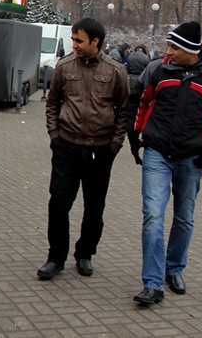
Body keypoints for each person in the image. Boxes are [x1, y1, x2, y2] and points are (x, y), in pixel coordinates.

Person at [127, 21, 202, 305]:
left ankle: (174, 268)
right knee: (152, 215)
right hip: (157, 153)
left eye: (175, 47)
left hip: (192, 158)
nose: (169, 51)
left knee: (184, 217)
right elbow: (136, 101)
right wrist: (135, 136)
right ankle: (152, 282)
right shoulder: (156, 69)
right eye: (168, 45)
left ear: (191, 50)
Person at [38, 17, 129, 280]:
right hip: (66, 147)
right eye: (73, 39)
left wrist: (115, 144)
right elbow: (53, 103)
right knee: (58, 204)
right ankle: (56, 257)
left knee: (94, 207)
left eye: (79, 40)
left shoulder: (115, 71)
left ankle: (85, 254)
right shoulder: (64, 66)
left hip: (100, 150)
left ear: (95, 41)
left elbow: (123, 110)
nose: (74, 45)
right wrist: (54, 136)